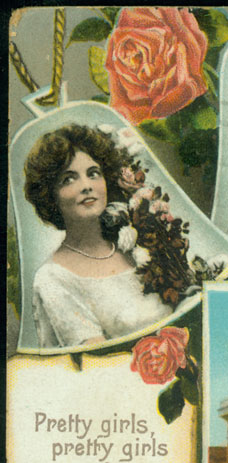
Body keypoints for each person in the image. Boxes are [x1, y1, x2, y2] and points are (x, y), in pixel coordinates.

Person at [24, 124, 172, 348]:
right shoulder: (52, 279)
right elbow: (99, 364)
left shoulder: (135, 239)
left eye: (93, 174)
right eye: (68, 179)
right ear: (51, 196)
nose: (86, 186)